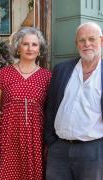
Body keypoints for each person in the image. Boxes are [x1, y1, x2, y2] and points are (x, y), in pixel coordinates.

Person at [0, 27, 51, 180]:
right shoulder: (3, 74)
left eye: (34, 45)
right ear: (18, 48)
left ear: (39, 49)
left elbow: (50, 111)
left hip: (35, 137)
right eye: (25, 44)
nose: (30, 48)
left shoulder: (47, 77)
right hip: (8, 134)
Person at [45, 21, 103, 180]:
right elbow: (50, 107)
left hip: (93, 151)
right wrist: (51, 141)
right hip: (59, 150)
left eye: (92, 39)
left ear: (101, 41)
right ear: (76, 44)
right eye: (82, 40)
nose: (87, 44)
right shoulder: (62, 69)